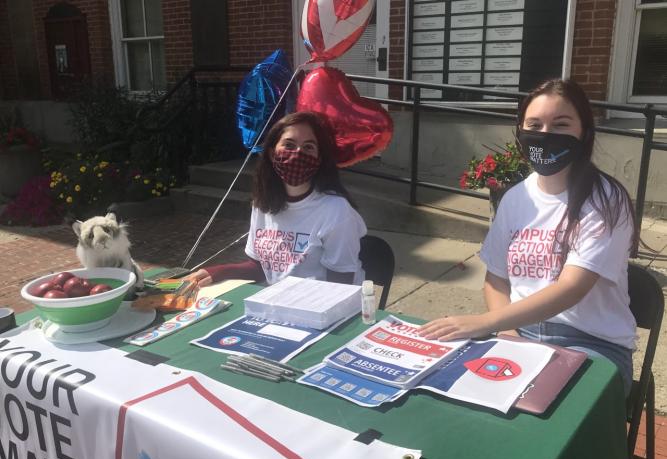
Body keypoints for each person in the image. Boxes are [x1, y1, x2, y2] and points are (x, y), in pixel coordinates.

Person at [417, 79, 637, 396]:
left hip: (592, 344)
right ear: (520, 131)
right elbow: (496, 280)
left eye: (560, 124)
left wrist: (484, 322)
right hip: (519, 333)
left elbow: (572, 287)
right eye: (535, 124)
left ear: (584, 132)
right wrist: (507, 333)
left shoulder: (605, 199)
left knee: (546, 410)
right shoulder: (515, 197)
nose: (545, 134)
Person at [187, 111, 367, 287]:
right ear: (273, 154)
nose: (298, 153)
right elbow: (260, 268)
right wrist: (219, 272)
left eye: (308, 147)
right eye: (289, 145)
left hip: (320, 308)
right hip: (276, 305)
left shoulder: (336, 210)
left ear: (319, 159)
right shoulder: (262, 204)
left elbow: (341, 285)